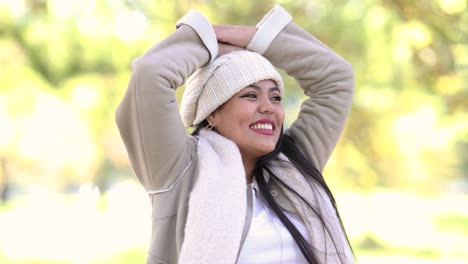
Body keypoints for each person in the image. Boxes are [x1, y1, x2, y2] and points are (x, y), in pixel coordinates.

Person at [116, 4, 355, 264]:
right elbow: (150, 75)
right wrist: (208, 43)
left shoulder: (296, 161)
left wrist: (259, 40)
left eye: (275, 97)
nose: (268, 107)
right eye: (250, 95)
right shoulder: (179, 169)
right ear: (212, 113)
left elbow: (337, 79)